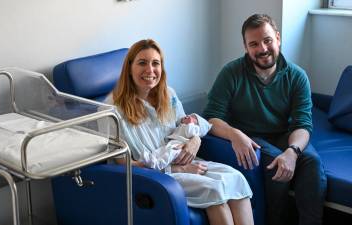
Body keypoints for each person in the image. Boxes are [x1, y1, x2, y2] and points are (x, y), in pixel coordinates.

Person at [106, 39, 254, 225]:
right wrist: (178, 168)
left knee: (236, 178)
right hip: (155, 175)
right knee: (214, 190)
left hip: (187, 161)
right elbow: (122, 165)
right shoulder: (112, 110)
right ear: (129, 68)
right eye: (142, 63)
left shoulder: (168, 95)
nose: (150, 70)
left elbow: (187, 127)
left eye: (155, 63)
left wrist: (195, 141)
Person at [203, 14, 327, 225]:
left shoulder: (297, 76)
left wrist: (293, 151)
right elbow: (211, 118)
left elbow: (303, 124)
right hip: (248, 136)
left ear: (277, 38)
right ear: (245, 47)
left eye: (267, 40)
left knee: (312, 163)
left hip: (283, 135)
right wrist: (235, 134)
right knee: (274, 162)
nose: (262, 49)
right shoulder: (231, 73)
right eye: (254, 44)